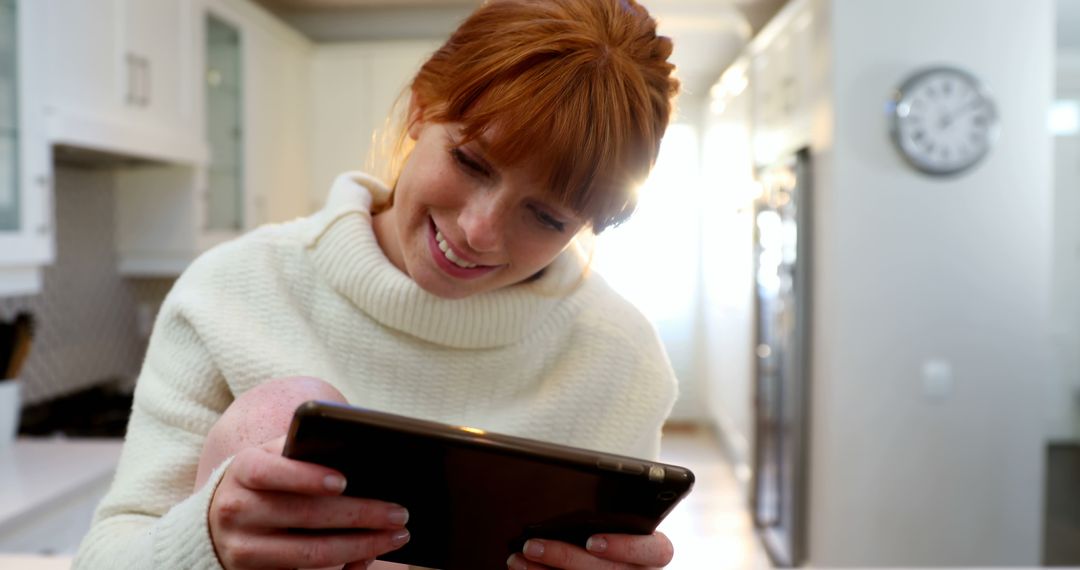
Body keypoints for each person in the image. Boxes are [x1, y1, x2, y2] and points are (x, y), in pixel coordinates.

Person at [74, 0, 682, 568]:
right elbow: (105, 555)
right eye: (470, 162)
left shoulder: (619, 356)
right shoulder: (230, 291)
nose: (479, 232)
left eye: (547, 217)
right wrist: (205, 541)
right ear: (421, 108)